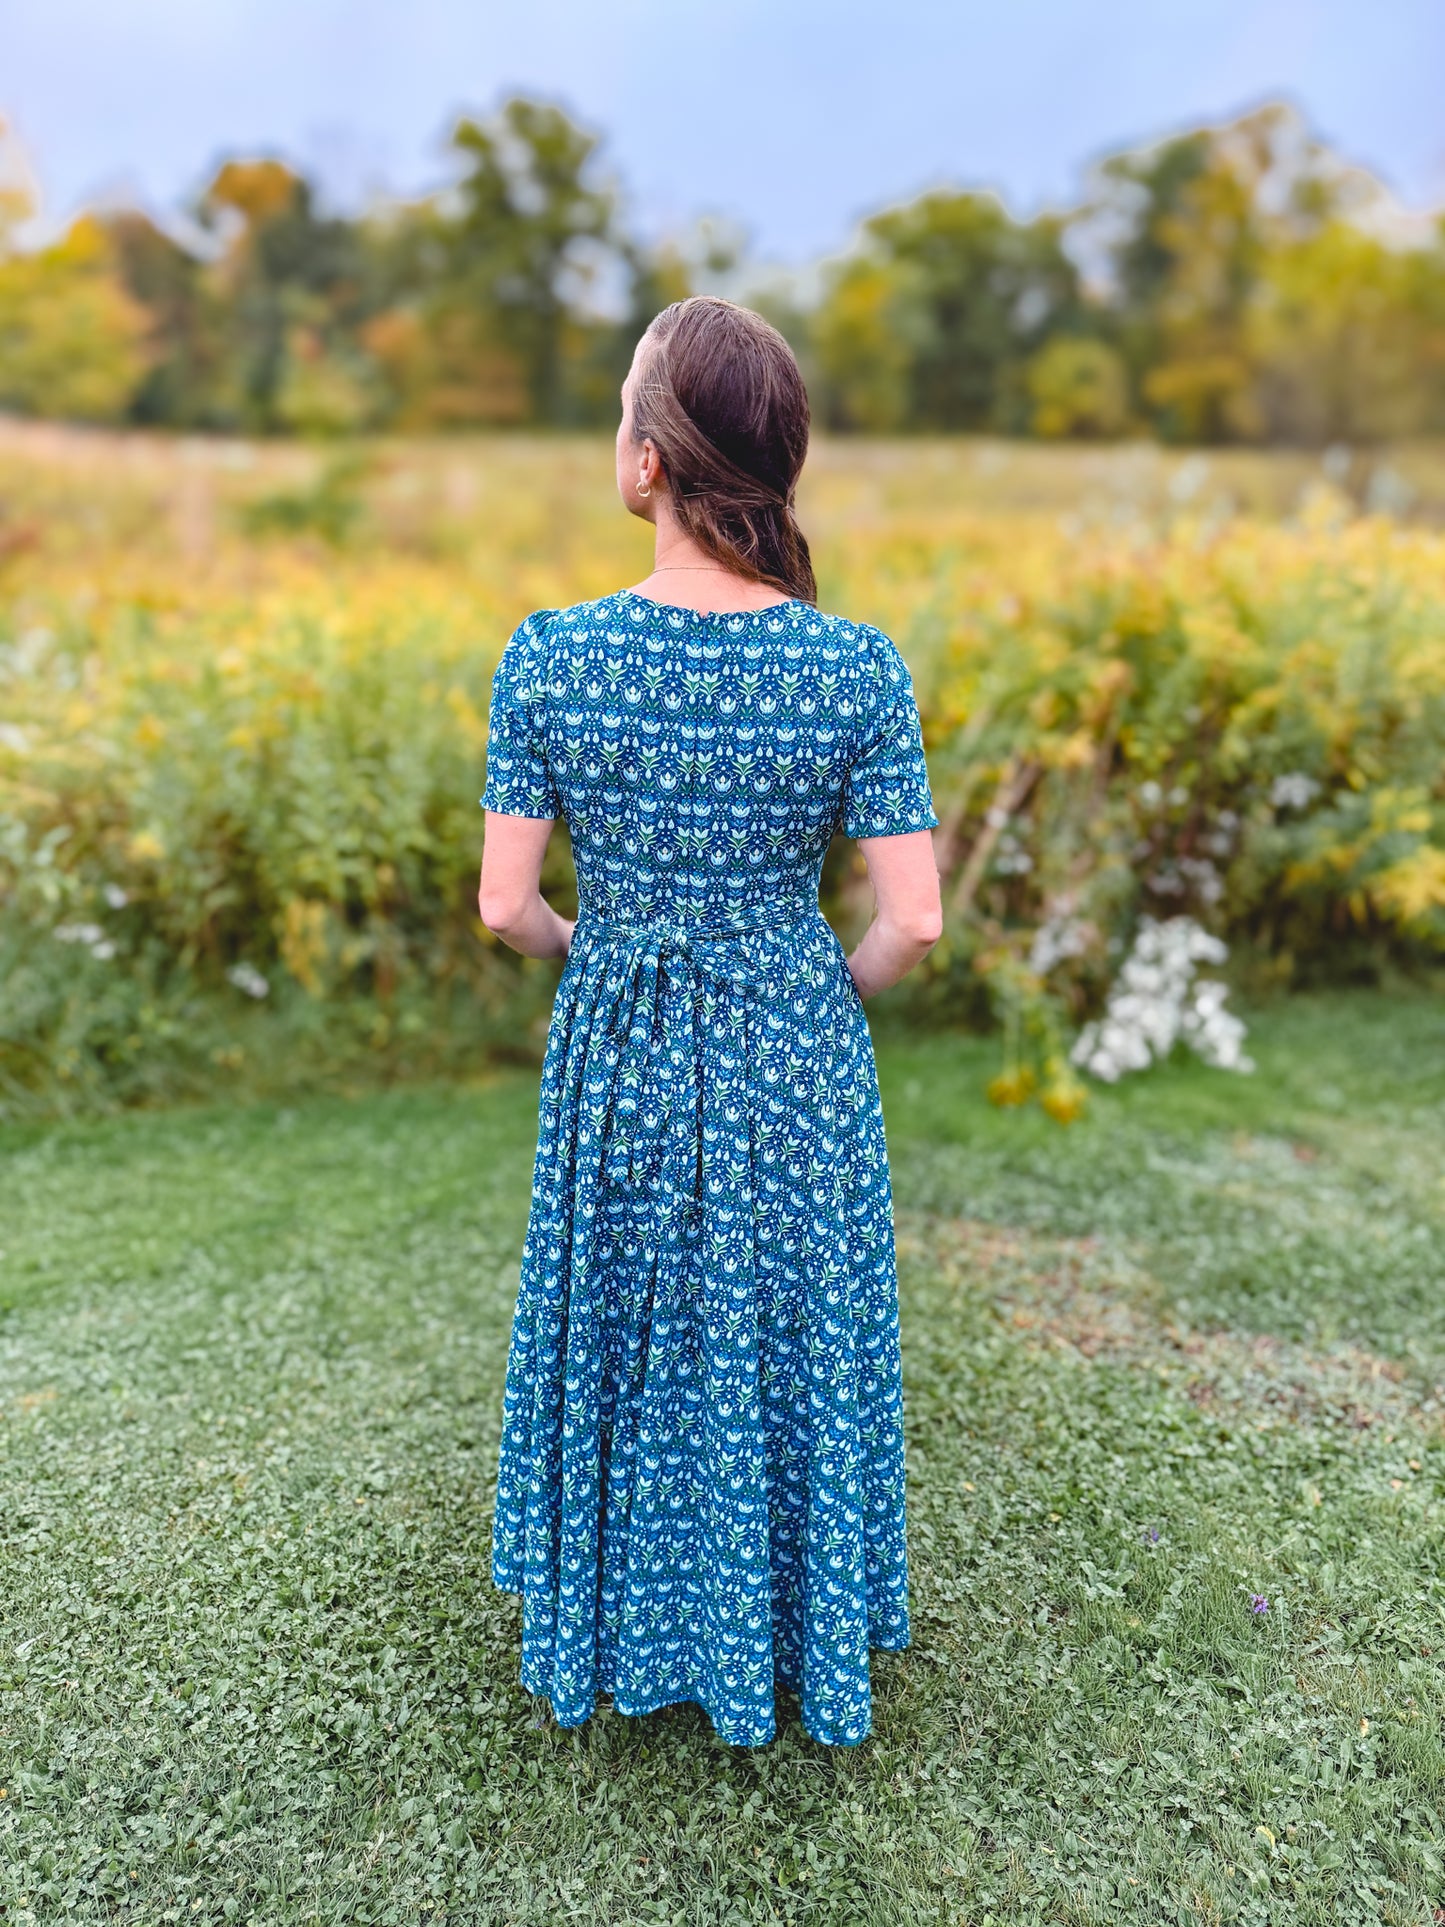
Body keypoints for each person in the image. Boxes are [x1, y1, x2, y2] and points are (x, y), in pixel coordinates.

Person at [476, 295, 941, 1749]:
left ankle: (621, 1613)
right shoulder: (855, 668)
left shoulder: (549, 656)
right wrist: (814, 992)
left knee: (625, 1320)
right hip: (794, 1044)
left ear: (648, 465)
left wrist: (596, 953)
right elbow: (913, 921)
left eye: (626, 410)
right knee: (784, 1326)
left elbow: (502, 906)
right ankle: (789, 1618)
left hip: (618, 1033)